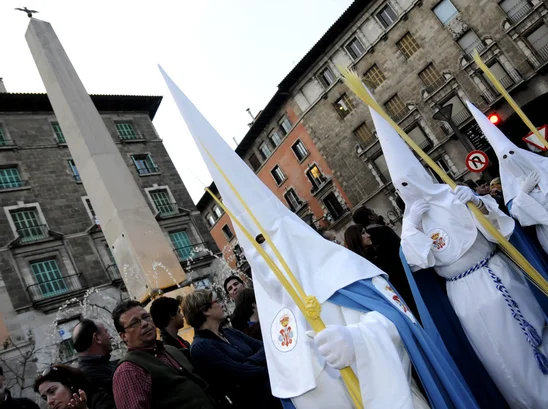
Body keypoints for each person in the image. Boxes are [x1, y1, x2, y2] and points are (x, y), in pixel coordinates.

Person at [163, 69, 490, 409]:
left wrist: (356, 340)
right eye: (253, 252)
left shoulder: (344, 270)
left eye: (265, 244)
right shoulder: (276, 310)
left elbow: (396, 321)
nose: (265, 261)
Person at [377, 100, 548, 409]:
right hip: (465, 296)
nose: (408, 188)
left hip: (498, 277)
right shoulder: (411, 221)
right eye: (401, 185)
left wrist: (480, 205)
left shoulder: (454, 198)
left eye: (409, 180)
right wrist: (412, 229)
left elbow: (503, 229)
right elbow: (419, 261)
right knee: (500, 357)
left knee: (536, 337)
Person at [468, 101, 548, 323]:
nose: (511, 160)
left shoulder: (547, 167)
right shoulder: (513, 191)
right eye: (505, 158)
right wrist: (523, 194)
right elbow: (520, 216)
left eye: (512, 153)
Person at [182, 290, 280, 409]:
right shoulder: (201, 347)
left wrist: (247, 363)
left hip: (271, 395)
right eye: (216, 301)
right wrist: (269, 367)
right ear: (206, 310)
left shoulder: (229, 332)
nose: (222, 304)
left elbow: (268, 347)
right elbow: (241, 374)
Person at [111, 300, 215, 409]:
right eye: (135, 323)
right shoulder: (129, 370)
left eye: (146, 317)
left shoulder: (171, 350)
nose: (145, 324)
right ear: (123, 336)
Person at [351, 206, 419, 318]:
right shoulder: (383, 231)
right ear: (370, 217)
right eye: (373, 211)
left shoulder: (367, 241)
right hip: (403, 275)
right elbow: (403, 249)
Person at [72, 320, 117, 400]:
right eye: (106, 332)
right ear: (97, 338)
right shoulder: (90, 375)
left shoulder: (99, 366)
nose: (110, 336)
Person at [34, 365, 114, 409]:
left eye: (52, 391)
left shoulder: (99, 399)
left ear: (69, 384)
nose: (49, 401)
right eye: (45, 398)